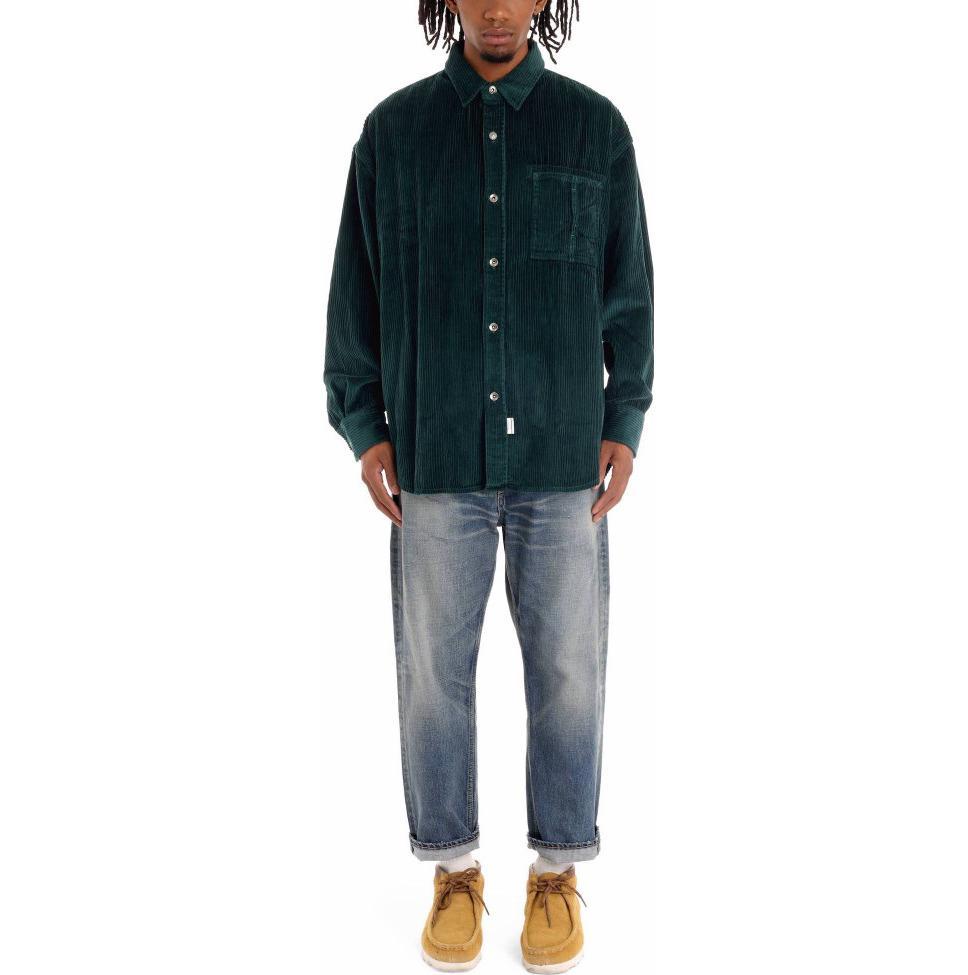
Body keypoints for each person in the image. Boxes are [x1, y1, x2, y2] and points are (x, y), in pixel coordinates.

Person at [323, 1, 653, 970]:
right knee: (433, 675)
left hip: (562, 454)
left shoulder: (594, 129)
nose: (499, 7)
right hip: (434, 452)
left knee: (568, 672)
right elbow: (354, 293)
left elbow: (629, 290)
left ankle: (556, 871)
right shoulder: (393, 136)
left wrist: (625, 416)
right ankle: (453, 870)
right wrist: (364, 425)